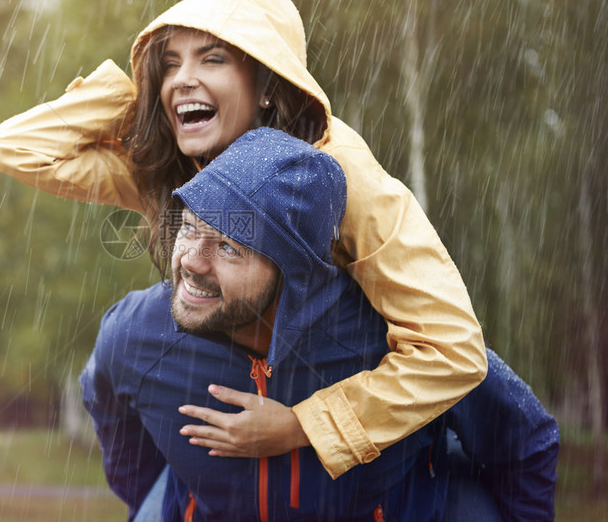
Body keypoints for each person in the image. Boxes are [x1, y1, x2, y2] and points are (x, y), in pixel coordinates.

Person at [0, 0, 487, 478]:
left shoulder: (343, 176)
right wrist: (144, 99)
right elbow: (16, 147)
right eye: (171, 62)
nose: (182, 77)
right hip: (217, 437)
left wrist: (302, 426)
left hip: (357, 469)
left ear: (268, 86)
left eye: (212, 59)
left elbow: (452, 351)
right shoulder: (177, 167)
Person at [80, 128, 558, 522]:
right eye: (189, 227)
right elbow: (117, 432)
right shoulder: (137, 334)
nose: (192, 262)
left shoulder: (401, 344)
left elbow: (526, 440)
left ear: (294, 273)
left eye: (229, 248)